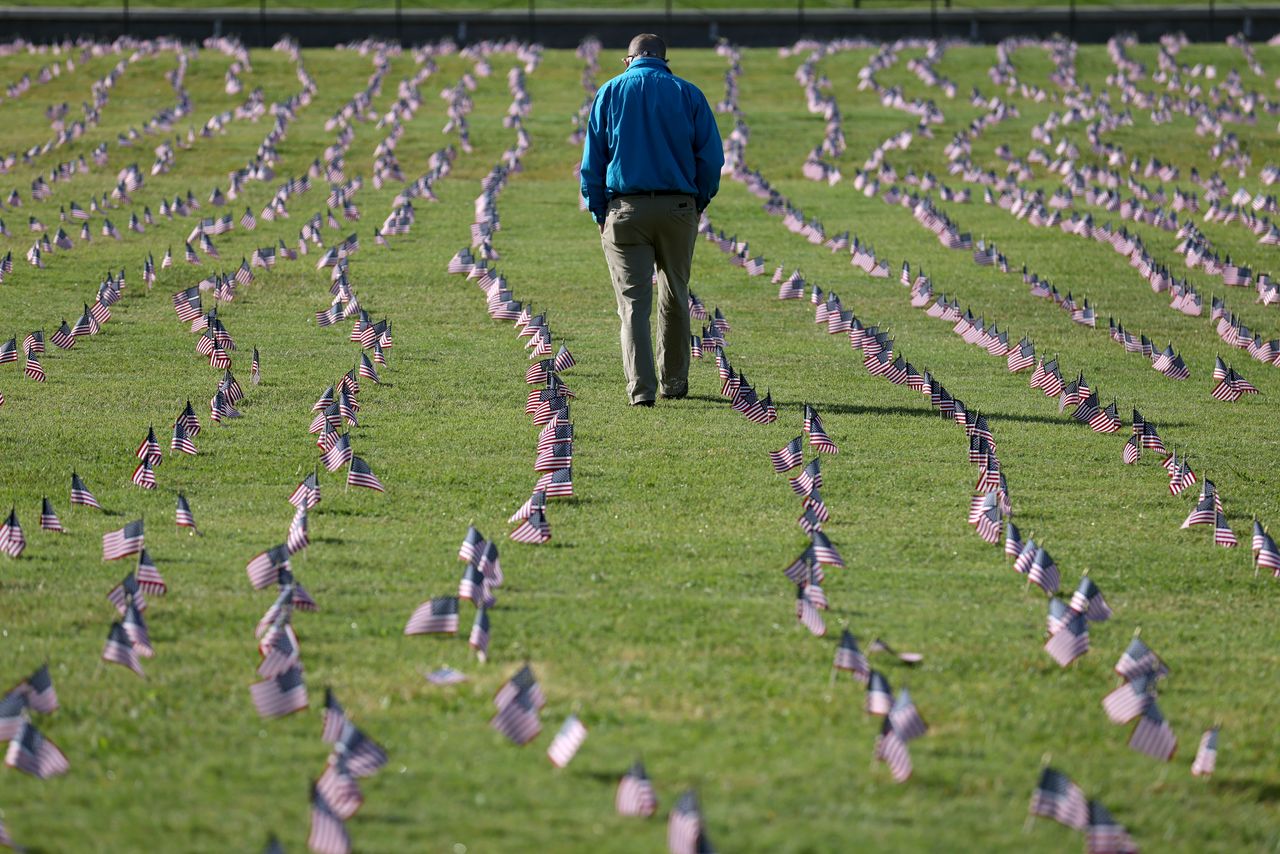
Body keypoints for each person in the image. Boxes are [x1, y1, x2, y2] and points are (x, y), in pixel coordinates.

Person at [580, 34, 724, 407]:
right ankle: (673, 381)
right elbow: (710, 159)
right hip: (678, 208)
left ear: (628, 60)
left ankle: (641, 389)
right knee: (676, 296)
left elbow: (592, 163)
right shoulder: (688, 93)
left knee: (632, 304)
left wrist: (599, 211)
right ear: (665, 60)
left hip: (626, 209)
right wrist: (698, 202)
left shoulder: (610, 92)